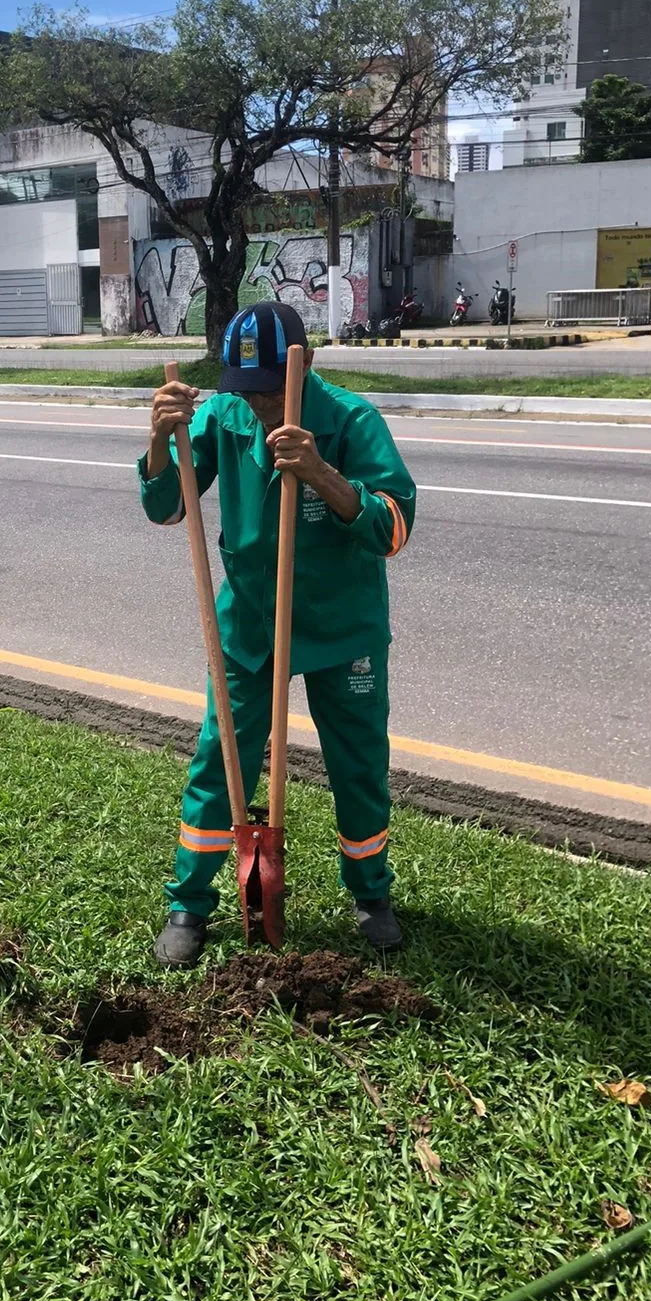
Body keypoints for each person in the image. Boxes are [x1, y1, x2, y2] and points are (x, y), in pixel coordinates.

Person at [138, 301, 416, 967]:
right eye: (245, 389)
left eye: (268, 388)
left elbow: (394, 526)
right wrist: (159, 440)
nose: (257, 404)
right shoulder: (223, 416)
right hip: (252, 624)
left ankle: (370, 894)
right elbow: (168, 507)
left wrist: (320, 473)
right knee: (220, 757)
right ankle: (189, 904)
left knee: (357, 763)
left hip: (341, 624)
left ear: (305, 365)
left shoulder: (350, 419)